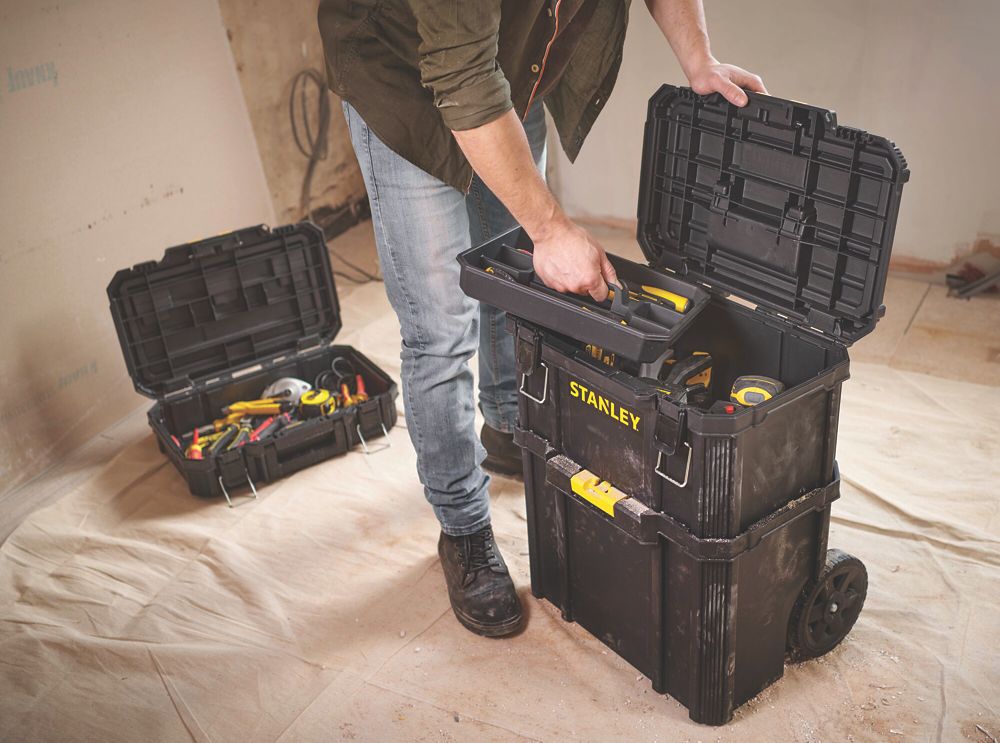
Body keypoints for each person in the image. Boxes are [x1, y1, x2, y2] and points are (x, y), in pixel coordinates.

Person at [318, 0, 766, 637]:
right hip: (408, 83)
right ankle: (463, 530)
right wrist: (550, 226)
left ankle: (507, 427)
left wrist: (699, 59)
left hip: (505, 70)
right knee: (441, 327)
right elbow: (461, 76)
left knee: (516, 286)